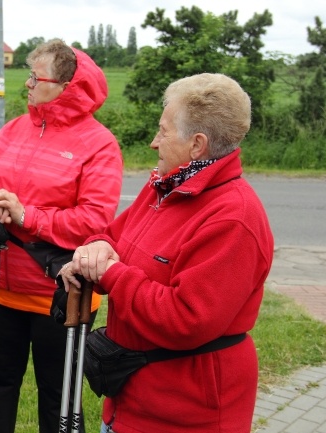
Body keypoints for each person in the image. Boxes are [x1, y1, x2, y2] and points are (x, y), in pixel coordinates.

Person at [59, 73, 274, 433]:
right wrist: (94, 249)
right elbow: (115, 235)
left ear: (197, 145)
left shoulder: (234, 218)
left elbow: (186, 319)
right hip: (130, 402)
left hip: (184, 417)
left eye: (163, 130)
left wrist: (111, 273)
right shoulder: (166, 185)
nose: (153, 142)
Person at [0, 39, 124, 433]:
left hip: (61, 293)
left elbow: (94, 220)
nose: (28, 84)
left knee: (59, 398)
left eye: (37, 77)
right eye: (29, 75)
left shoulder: (100, 144)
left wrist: (25, 215)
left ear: (67, 85)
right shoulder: (17, 128)